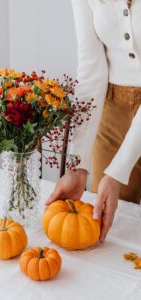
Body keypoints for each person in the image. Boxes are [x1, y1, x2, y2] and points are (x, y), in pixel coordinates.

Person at [46, 0, 141, 242]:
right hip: (112, 117)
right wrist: (77, 166)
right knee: (113, 235)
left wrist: (117, 172)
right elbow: (90, 73)